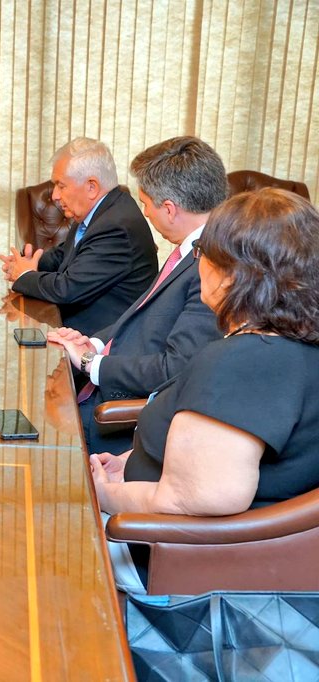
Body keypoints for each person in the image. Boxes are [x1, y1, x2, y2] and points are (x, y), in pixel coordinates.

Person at [91, 189, 319, 591]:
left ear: (231, 273)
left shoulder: (243, 363)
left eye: (201, 256)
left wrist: (102, 495)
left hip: (182, 566)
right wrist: (127, 464)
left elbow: (189, 504)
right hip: (242, 557)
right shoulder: (290, 344)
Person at [49, 137, 227, 454]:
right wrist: (94, 344)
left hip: (122, 419)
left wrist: (92, 364)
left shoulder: (212, 266)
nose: (144, 213)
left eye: (146, 203)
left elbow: (176, 369)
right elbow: (140, 310)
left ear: (170, 209)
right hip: (107, 384)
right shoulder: (189, 252)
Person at [0, 137, 158, 335]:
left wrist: (24, 275)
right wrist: (29, 262)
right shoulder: (101, 212)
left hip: (101, 344)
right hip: (76, 333)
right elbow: (64, 255)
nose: (55, 195)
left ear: (91, 187)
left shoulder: (116, 227)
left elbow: (67, 289)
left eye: (61, 185)